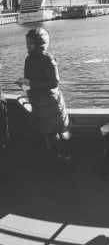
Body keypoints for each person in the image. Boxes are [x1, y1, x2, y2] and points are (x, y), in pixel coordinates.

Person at [16, 28, 71, 162]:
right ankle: (60, 155)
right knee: (50, 132)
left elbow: (54, 83)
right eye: (27, 42)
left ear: (39, 44)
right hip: (39, 103)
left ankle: (65, 155)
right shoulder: (29, 59)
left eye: (31, 43)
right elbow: (33, 82)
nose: (27, 45)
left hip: (50, 103)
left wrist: (30, 83)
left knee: (59, 131)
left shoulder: (48, 59)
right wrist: (24, 85)